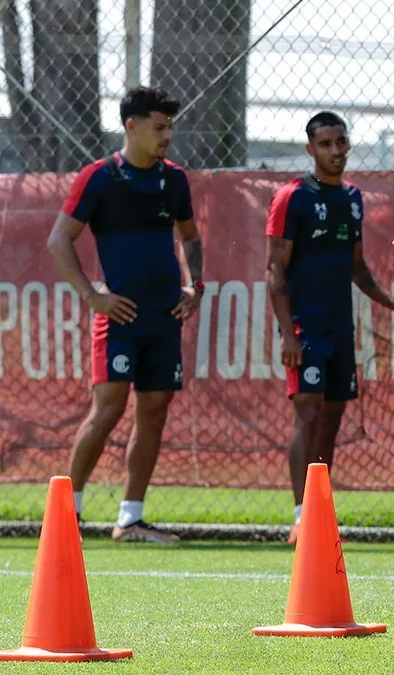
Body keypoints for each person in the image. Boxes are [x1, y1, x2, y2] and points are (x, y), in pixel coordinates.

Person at [266, 112, 394, 544]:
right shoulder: (291, 197)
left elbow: (357, 266)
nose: (335, 150)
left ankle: (319, 510)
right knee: (307, 412)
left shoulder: (352, 198)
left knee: (332, 418)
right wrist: (287, 333)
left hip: (340, 328)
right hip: (305, 329)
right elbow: (275, 271)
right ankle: (301, 516)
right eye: (325, 144)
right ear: (310, 149)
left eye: (340, 142)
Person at [48, 86, 201, 543]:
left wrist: (196, 285)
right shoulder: (100, 177)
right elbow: (59, 240)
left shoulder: (174, 180)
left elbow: (190, 237)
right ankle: (66, 516)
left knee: (153, 411)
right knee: (108, 409)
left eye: (170, 127)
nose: (167, 135)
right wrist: (93, 296)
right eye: (159, 127)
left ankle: (130, 519)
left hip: (164, 318)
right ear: (132, 127)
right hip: (118, 320)